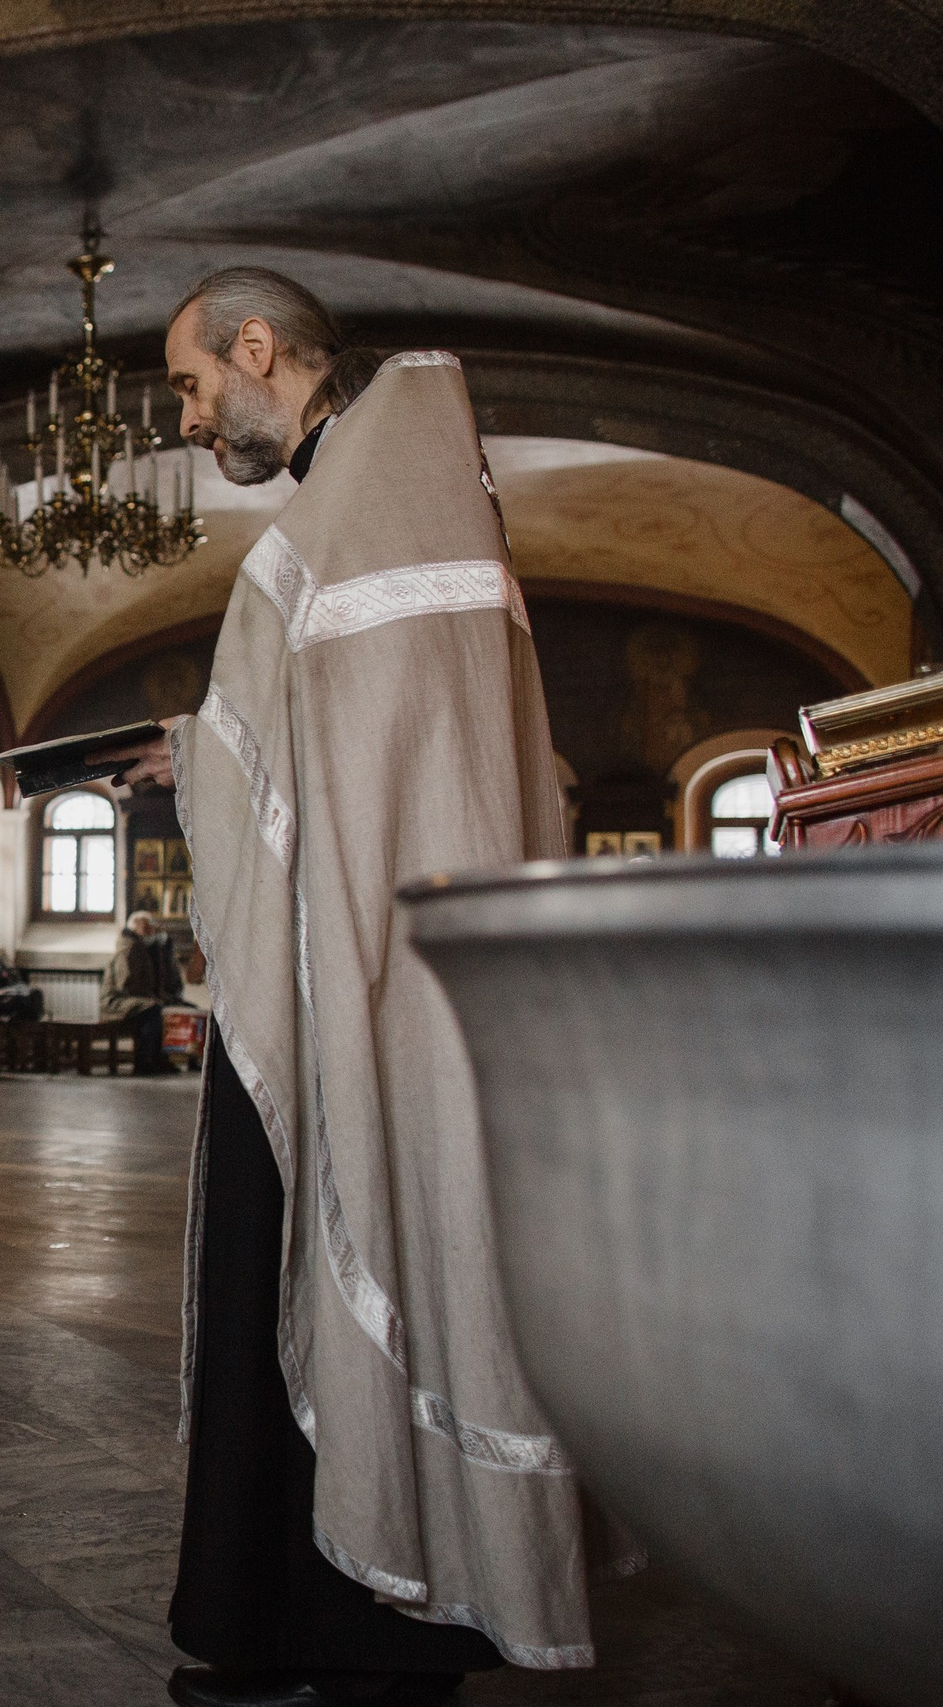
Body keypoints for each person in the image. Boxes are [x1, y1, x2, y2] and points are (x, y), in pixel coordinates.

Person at [98, 267, 617, 1703]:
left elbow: (382, 756)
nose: (193, 420)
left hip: (369, 985)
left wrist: (214, 751)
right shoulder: (371, 487)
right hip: (333, 958)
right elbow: (333, 740)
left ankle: (369, 1622)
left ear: (260, 349)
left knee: (354, 1235)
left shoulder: (383, 490)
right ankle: (265, 1613)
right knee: (271, 1270)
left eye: (196, 387)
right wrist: (203, 744)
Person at [102, 909, 174, 1075]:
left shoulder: (142, 947)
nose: (151, 932)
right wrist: (151, 997)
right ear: (134, 927)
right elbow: (125, 983)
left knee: (161, 1007)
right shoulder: (127, 948)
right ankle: (144, 1062)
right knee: (152, 1008)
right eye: (146, 928)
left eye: (152, 928)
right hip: (115, 1001)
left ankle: (160, 1060)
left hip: (132, 999)